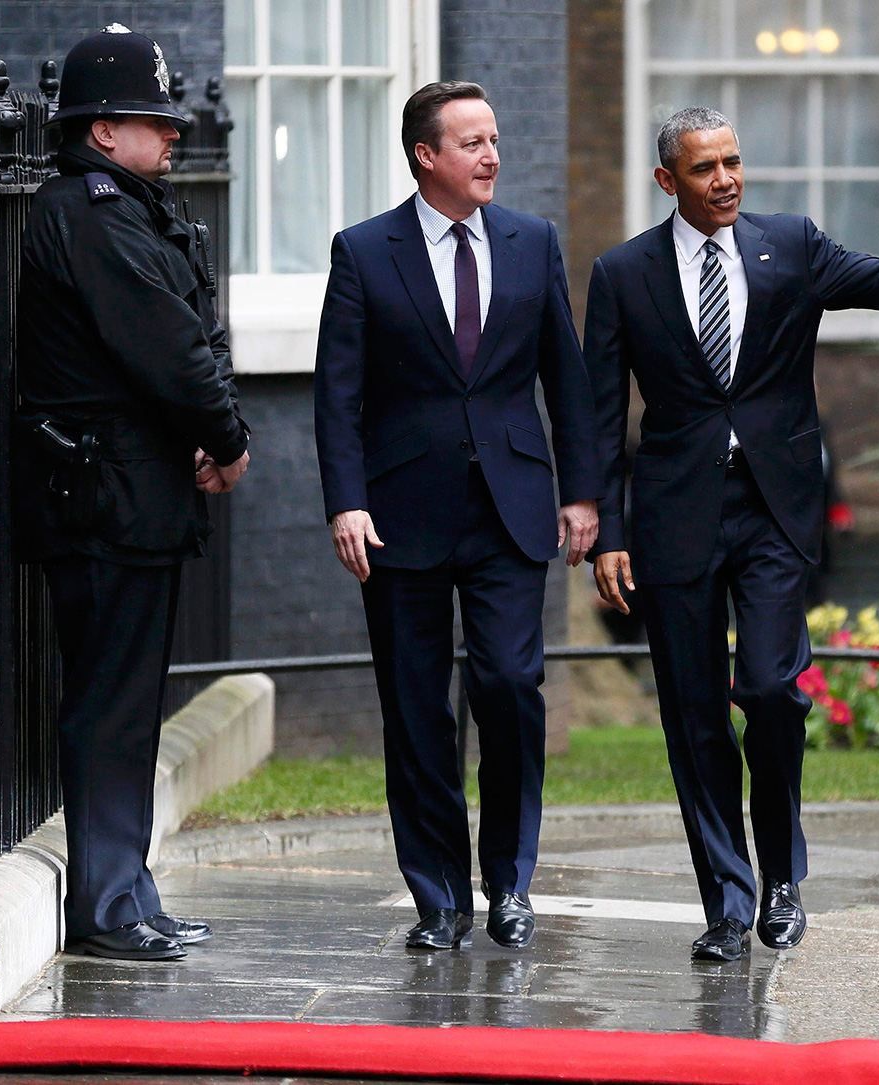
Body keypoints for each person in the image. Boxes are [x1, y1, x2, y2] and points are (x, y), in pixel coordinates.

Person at [584, 107, 879, 962]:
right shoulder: (623, 274)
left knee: (770, 689)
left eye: (733, 161)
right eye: (705, 167)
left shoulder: (789, 243)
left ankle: (783, 878)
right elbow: (603, 417)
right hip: (675, 515)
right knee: (692, 715)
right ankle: (725, 900)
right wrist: (607, 529)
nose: (725, 179)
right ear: (666, 180)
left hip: (774, 508)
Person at [314, 81, 600, 951]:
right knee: (415, 706)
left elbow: (568, 375)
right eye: (471, 142)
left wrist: (582, 490)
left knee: (510, 688)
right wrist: (346, 500)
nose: (491, 155)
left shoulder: (532, 242)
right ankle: (438, 894)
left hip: (512, 509)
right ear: (425, 156)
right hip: (401, 514)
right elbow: (338, 392)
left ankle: (510, 883)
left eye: (495, 138)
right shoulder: (365, 252)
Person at [14, 24, 250, 961]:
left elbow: (195, 329)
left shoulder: (125, 208)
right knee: (110, 704)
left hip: (133, 492)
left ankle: (131, 889)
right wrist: (225, 437)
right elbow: (172, 350)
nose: (173, 133)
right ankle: (109, 905)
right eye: (153, 120)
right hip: (106, 496)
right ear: (104, 131)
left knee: (130, 704)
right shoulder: (96, 214)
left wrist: (211, 424)